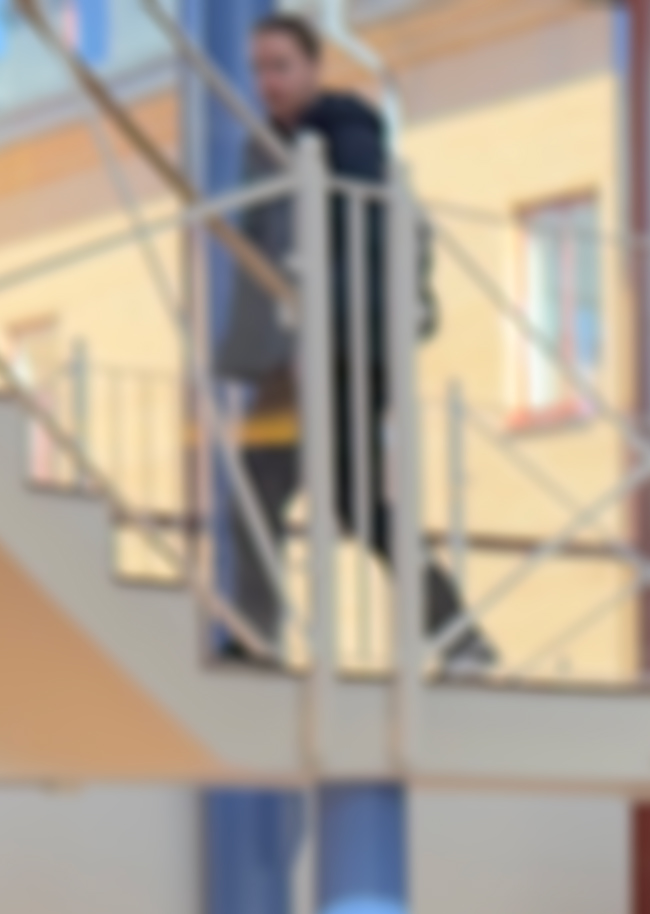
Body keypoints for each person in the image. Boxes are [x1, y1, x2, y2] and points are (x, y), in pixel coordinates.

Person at [215, 13, 478, 672]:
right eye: (258, 68)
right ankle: (259, 635)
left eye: (281, 66)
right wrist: (251, 350)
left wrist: (326, 337)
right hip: (293, 354)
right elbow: (266, 258)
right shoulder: (268, 149)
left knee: (342, 496)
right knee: (273, 488)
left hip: (344, 350)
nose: (268, 81)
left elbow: (360, 238)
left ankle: (454, 632)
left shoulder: (342, 133)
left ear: (313, 67)